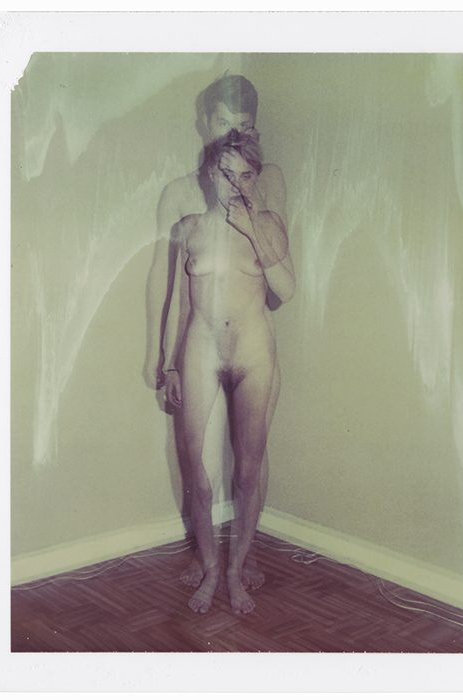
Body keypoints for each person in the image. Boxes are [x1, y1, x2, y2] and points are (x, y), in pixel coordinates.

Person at [143, 75, 289, 598]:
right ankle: (206, 556)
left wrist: (251, 211)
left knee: (252, 459)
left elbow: (280, 278)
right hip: (202, 341)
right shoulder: (179, 195)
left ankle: (242, 558)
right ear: (205, 124)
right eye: (224, 124)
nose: (232, 133)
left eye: (244, 125)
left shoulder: (267, 182)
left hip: (252, 342)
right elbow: (167, 283)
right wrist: (161, 354)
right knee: (194, 459)